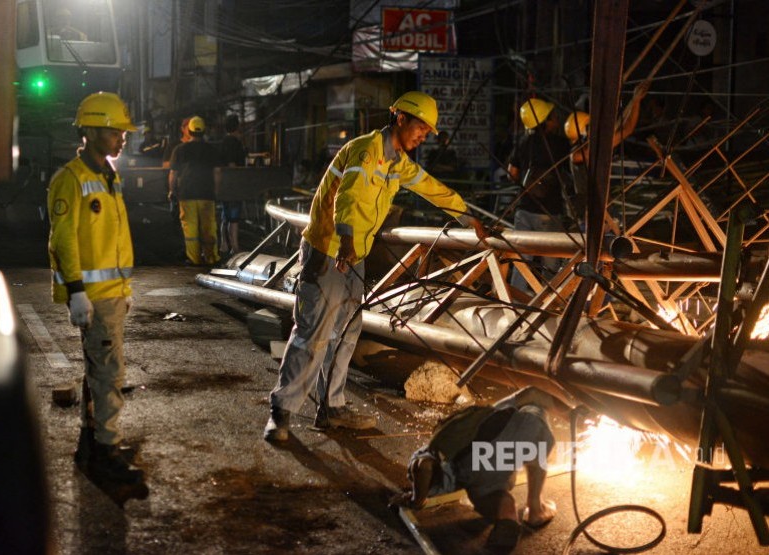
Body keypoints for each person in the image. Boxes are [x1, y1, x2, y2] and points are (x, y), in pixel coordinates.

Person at [263, 91, 489, 442]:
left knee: (345, 333)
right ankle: (281, 413)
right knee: (313, 334)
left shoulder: (396, 161)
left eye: (428, 132)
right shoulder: (367, 150)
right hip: (330, 251)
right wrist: (348, 240)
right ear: (401, 119)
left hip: (354, 256)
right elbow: (348, 196)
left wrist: (465, 216)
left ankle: (331, 408)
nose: (423, 136)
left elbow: (428, 186)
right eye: (421, 128)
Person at [47, 91, 145, 487]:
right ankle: (105, 452)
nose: (123, 138)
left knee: (98, 372)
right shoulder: (70, 179)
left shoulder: (108, 173)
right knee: (108, 374)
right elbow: (63, 240)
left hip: (113, 293)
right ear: (90, 131)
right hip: (94, 296)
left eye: (123, 131)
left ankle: (91, 447)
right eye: (114, 131)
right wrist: (75, 291)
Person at [390, 387, 572, 554]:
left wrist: (418, 498)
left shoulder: (443, 450)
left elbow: (424, 467)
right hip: (514, 443)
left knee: (493, 494)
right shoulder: (487, 415)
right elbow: (533, 392)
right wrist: (573, 414)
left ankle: (507, 519)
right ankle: (535, 509)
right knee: (534, 410)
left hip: (475, 474)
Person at [506, 98, 571, 290]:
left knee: (521, 262)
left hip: (524, 209)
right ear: (545, 120)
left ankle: (514, 303)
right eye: (553, 118)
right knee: (550, 263)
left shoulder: (523, 142)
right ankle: (548, 303)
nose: (556, 121)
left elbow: (512, 173)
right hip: (548, 210)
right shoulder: (560, 144)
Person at [564, 81, 649, 225]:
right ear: (583, 131)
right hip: (589, 210)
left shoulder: (593, 148)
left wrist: (636, 102)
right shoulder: (577, 155)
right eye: (589, 126)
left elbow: (626, 129)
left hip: (603, 205)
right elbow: (592, 151)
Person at [168, 116, 222, 266]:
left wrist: (172, 191)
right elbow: (217, 173)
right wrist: (215, 192)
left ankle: (194, 259)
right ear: (204, 131)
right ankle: (212, 258)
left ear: (189, 131)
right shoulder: (212, 150)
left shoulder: (179, 150)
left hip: (187, 194)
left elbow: (173, 174)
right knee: (209, 227)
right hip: (207, 194)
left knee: (190, 229)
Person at [217, 114, 247, 256]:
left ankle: (223, 244)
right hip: (233, 183)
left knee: (225, 215)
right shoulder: (233, 143)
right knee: (234, 217)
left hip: (224, 183)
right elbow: (232, 164)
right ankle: (234, 246)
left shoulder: (223, 142)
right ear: (237, 127)